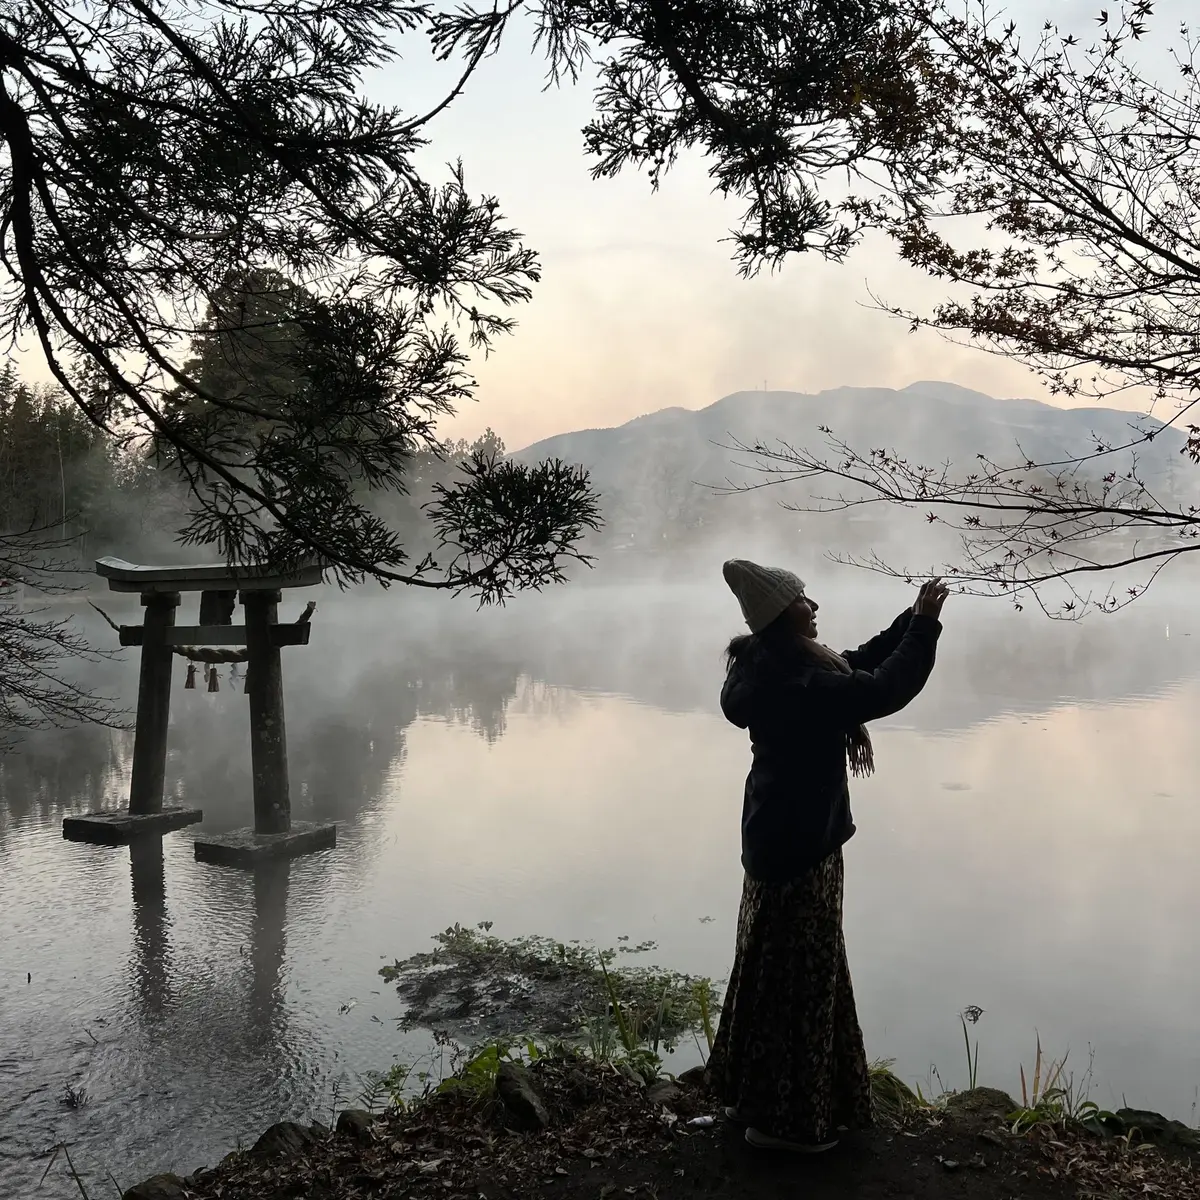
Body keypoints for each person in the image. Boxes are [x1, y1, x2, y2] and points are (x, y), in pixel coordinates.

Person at [706, 559, 947, 1154]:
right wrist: (922, 630)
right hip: (801, 846)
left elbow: (859, 662)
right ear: (780, 616)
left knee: (770, 969)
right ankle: (786, 1125)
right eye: (802, 601)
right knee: (800, 980)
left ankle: (751, 1099)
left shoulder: (776, 666)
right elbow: (881, 689)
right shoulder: (799, 683)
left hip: (773, 840)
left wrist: (911, 621)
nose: (813, 607)